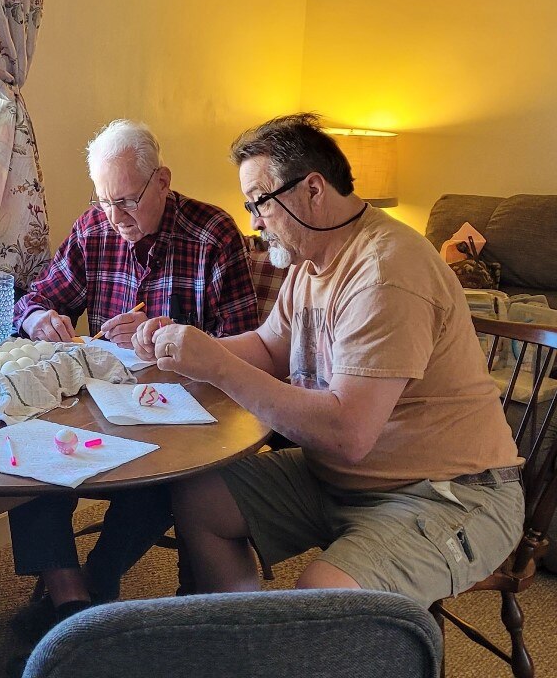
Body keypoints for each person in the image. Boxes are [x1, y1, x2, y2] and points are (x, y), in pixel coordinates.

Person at [134, 113, 523, 606]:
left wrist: (217, 366)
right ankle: (248, 634)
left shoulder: (386, 270)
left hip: (448, 493)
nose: (253, 221)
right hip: (340, 480)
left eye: (259, 202)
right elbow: (268, 349)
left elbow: (348, 434)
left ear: (313, 190)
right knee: (200, 497)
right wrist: (187, 352)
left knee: (323, 600)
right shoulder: (311, 262)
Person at [9, 119, 259, 630]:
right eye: (104, 200)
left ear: (162, 181)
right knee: (21, 450)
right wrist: (39, 317)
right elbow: (34, 299)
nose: (114, 216)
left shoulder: (213, 234)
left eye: (126, 200)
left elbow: (247, 351)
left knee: (162, 477)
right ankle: (72, 598)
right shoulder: (93, 228)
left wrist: (170, 335)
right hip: (101, 406)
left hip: (185, 413)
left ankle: (94, 586)